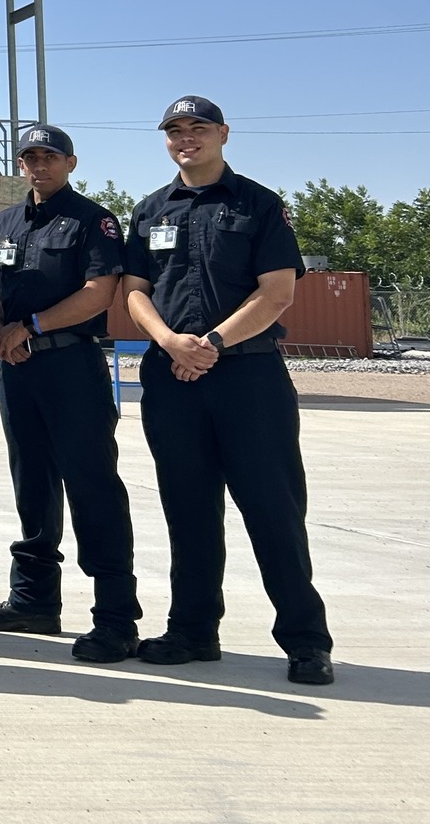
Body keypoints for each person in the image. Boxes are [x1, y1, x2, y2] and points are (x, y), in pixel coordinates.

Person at [123, 96, 332, 685]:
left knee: (273, 510)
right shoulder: (149, 210)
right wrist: (170, 342)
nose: (186, 138)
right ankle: (193, 631)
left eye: (198, 128)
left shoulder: (259, 205)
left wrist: (208, 343)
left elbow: (276, 293)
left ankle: (306, 640)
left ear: (223, 134)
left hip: (248, 379)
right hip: (172, 378)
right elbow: (135, 290)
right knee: (187, 510)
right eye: (175, 130)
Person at [0, 125, 140, 664]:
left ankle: (116, 617)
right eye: (29, 158)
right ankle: (34, 600)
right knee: (32, 485)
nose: (38, 165)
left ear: (70, 163)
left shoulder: (94, 220)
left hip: (71, 365)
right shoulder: (3, 221)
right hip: (18, 369)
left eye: (49, 157)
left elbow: (99, 293)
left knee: (92, 485)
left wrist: (32, 327)